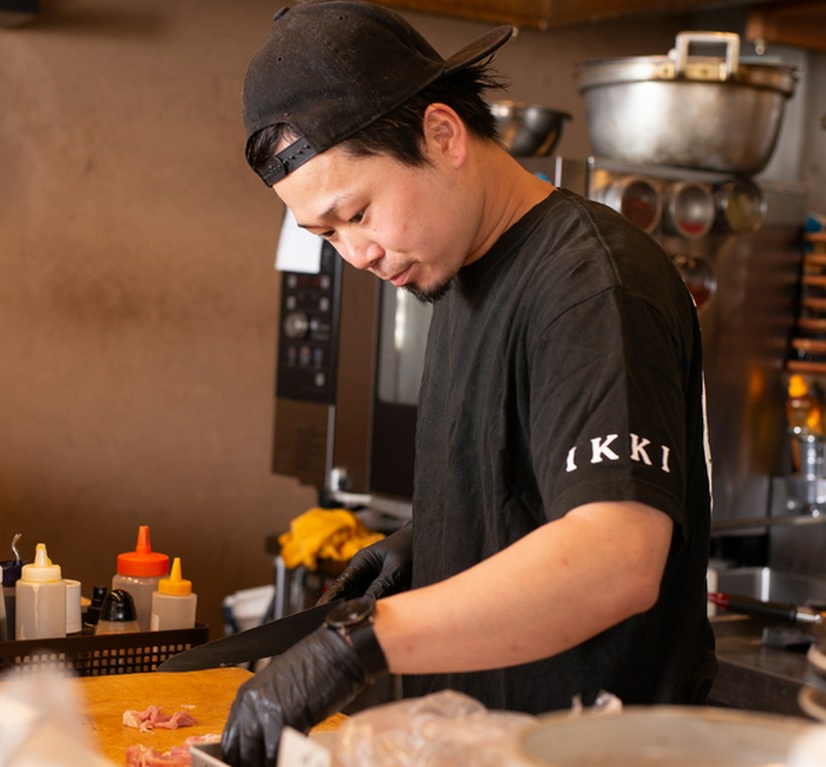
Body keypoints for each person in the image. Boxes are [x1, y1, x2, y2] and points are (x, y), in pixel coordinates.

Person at [222, 2, 717, 764]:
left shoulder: (592, 286)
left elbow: (618, 557)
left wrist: (360, 644)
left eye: (356, 213)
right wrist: (432, 545)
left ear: (443, 135)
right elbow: (536, 485)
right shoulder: (461, 274)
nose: (357, 253)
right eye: (327, 235)